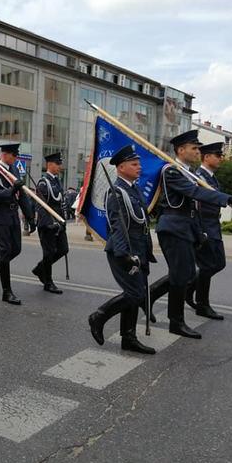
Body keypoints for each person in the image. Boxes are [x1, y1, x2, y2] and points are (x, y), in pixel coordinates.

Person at [149, 130, 232, 339]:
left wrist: (199, 231)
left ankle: (150, 299)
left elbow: (195, 206)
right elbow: (195, 193)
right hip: (173, 228)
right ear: (181, 150)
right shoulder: (171, 171)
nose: (197, 152)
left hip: (186, 228)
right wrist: (228, 198)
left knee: (186, 274)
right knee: (181, 276)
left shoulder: (187, 172)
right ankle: (176, 322)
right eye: (194, 148)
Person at [88, 145, 156, 354]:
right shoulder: (117, 192)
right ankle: (99, 316)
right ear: (121, 167)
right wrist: (123, 254)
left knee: (136, 293)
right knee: (135, 293)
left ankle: (128, 337)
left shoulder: (133, 189)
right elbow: (117, 225)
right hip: (124, 251)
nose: (139, 167)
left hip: (139, 248)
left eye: (139, 164)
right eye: (134, 164)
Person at [0, 143, 35, 305]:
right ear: (5, 154)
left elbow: (22, 195)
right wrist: (10, 191)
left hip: (13, 215)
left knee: (16, 249)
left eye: (16, 155)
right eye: (13, 155)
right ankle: (6, 292)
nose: (16, 158)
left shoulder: (14, 170)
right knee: (5, 252)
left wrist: (30, 217)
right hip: (0, 215)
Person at [191, 142, 229, 320]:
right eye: (218, 155)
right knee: (207, 266)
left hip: (214, 225)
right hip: (205, 226)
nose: (221, 158)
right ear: (206, 157)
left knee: (219, 263)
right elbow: (196, 206)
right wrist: (200, 231)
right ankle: (202, 305)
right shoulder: (199, 177)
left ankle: (189, 288)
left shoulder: (212, 177)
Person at [32, 152, 69, 294]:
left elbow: (61, 203)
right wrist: (50, 223)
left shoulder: (57, 181)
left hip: (59, 223)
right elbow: (41, 206)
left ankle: (39, 269)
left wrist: (63, 221)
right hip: (48, 225)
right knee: (48, 253)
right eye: (57, 164)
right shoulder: (43, 182)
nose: (60, 166)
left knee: (63, 249)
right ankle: (48, 282)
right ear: (49, 165)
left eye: (60, 164)